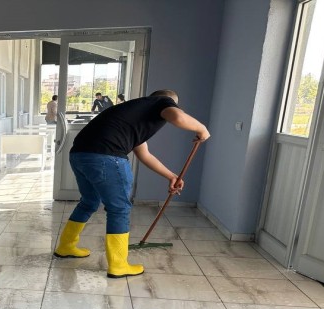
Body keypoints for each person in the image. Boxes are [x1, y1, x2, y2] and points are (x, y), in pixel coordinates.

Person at [54, 89, 210, 278]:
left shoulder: (133, 113)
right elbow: (178, 117)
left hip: (80, 155)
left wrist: (171, 176)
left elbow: (144, 155)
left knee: (89, 202)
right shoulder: (162, 102)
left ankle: (66, 246)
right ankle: (118, 265)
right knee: (119, 209)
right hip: (106, 156)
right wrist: (202, 129)